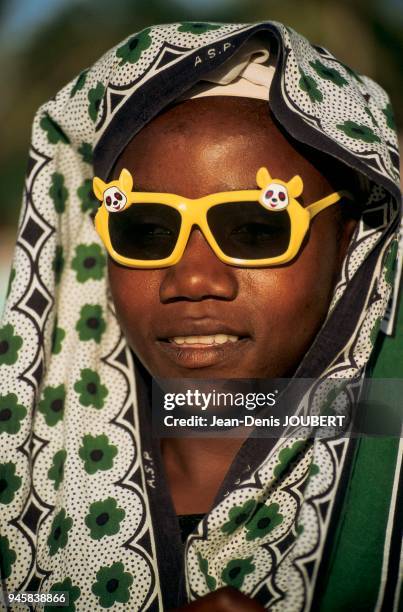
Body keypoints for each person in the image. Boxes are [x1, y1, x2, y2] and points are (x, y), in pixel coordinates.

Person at [0, 20, 401, 612]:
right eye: (147, 230)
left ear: (350, 243)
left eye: (255, 228)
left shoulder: (388, 465)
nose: (192, 279)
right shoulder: (20, 473)